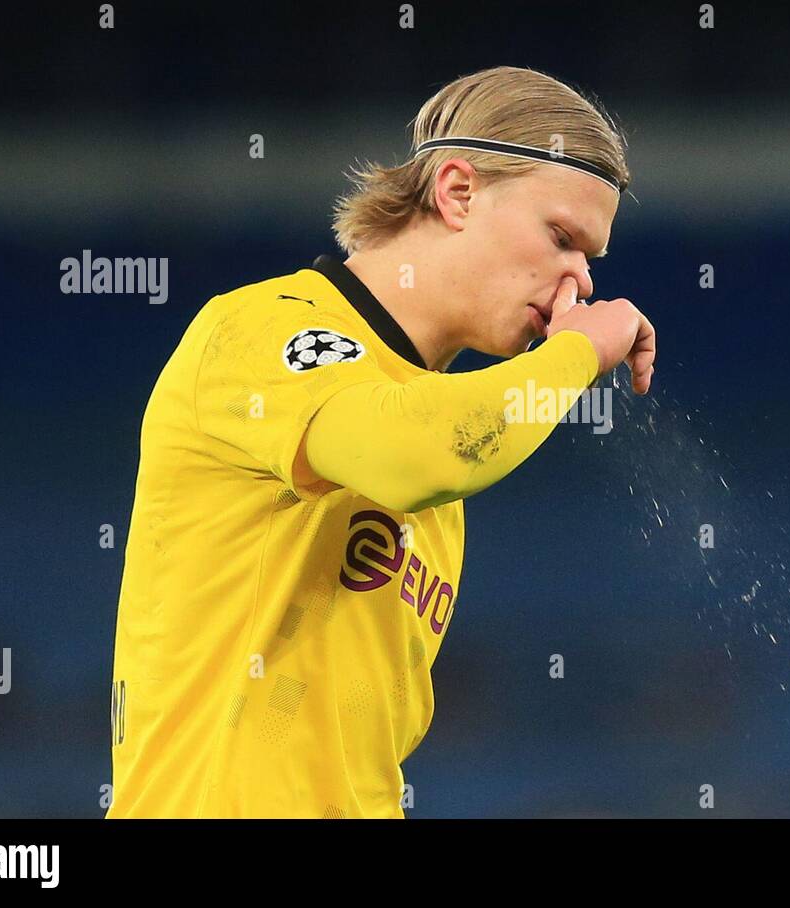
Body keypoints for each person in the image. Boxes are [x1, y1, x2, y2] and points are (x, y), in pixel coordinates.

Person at [106, 65, 655, 818]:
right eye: (561, 237)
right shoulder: (265, 330)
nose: (581, 284)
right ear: (457, 191)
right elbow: (419, 452)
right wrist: (575, 355)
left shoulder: (440, 460)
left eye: (591, 260)